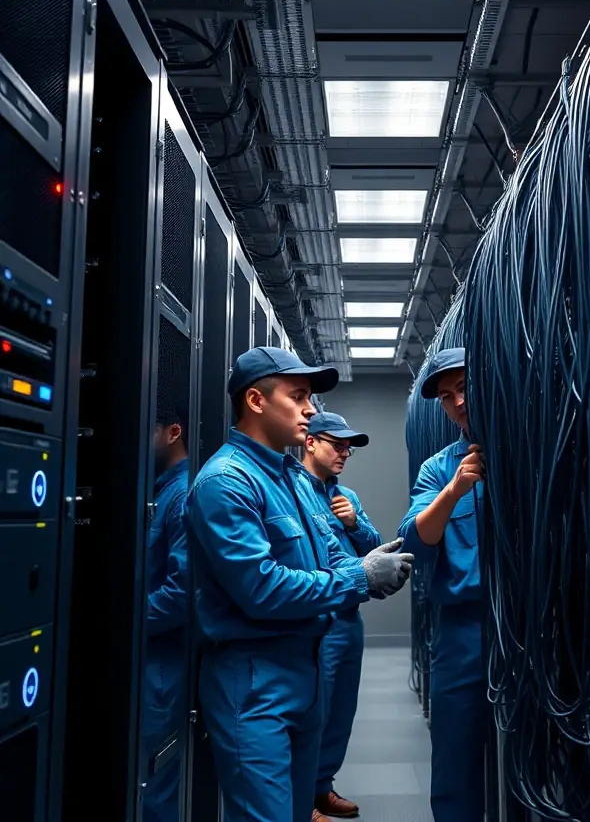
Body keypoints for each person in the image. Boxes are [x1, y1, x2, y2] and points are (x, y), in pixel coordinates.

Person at [185, 347, 414, 822]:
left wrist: (361, 564)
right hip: (254, 685)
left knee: (296, 811)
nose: (311, 408)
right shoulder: (226, 483)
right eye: (299, 395)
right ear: (255, 400)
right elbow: (262, 588)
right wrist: (359, 577)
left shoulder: (293, 479)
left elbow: (331, 553)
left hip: (304, 677)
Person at [398, 347, 489, 822]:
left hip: (538, 622)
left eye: (463, 387)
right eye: (446, 396)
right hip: (463, 631)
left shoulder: (537, 440)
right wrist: (453, 491)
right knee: (455, 760)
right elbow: (418, 540)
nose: (456, 402)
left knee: (541, 750)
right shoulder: (439, 468)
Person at [302, 412, 381, 821]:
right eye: (337, 444)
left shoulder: (345, 495)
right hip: (319, 618)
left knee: (340, 712)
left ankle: (322, 787)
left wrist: (353, 523)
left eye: (349, 447)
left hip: (349, 618)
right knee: (314, 711)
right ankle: (302, 803)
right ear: (311, 442)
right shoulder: (293, 489)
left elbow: (376, 547)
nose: (345, 453)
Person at [143, 405, 189, 822]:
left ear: (173, 432)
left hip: (162, 663)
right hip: (152, 660)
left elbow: (180, 594)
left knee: (156, 783)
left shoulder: (182, 493)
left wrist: (127, 619)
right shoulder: (157, 487)